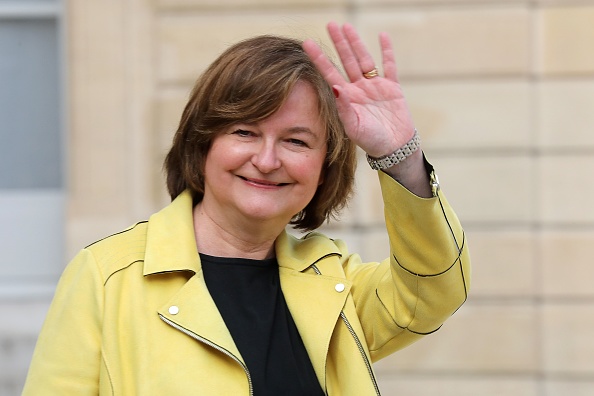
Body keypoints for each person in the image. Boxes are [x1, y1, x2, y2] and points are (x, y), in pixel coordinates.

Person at [23, 22, 470, 395]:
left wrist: (401, 156)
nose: (268, 159)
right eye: (244, 132)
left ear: (323, 167)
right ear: (202, 145)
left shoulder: (334, 284)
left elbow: (432, 292)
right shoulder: (106, 277)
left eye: (296, 141)